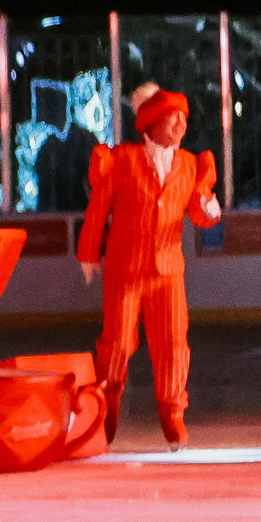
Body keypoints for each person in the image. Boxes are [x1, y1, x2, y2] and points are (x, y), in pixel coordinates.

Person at [79, 83, 222, 448]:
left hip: (168, 272)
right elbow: (99, 208)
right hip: (126, 270)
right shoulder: (122, 160)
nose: (180, 123)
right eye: (172, 116)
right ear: (153, 122)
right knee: (118, 344)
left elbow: (197, 208)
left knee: (173, 343)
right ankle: (105, 412)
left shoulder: (190, 164)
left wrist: (208, 212)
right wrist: (88, 252)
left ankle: (173, 413)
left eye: (183, 117)